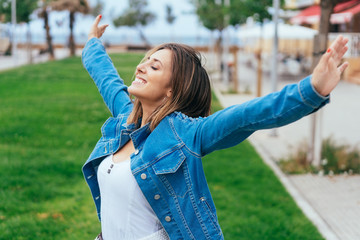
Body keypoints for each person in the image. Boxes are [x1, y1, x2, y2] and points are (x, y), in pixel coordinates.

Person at [82, 15, 349, 240]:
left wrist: (312, 90)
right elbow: (106, 78)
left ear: (172, 88)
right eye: (145, 60)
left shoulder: (184, 135)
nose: (140, 68)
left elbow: (247, 115)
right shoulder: (126, 122)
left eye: (154, 66)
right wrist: (93, 42)